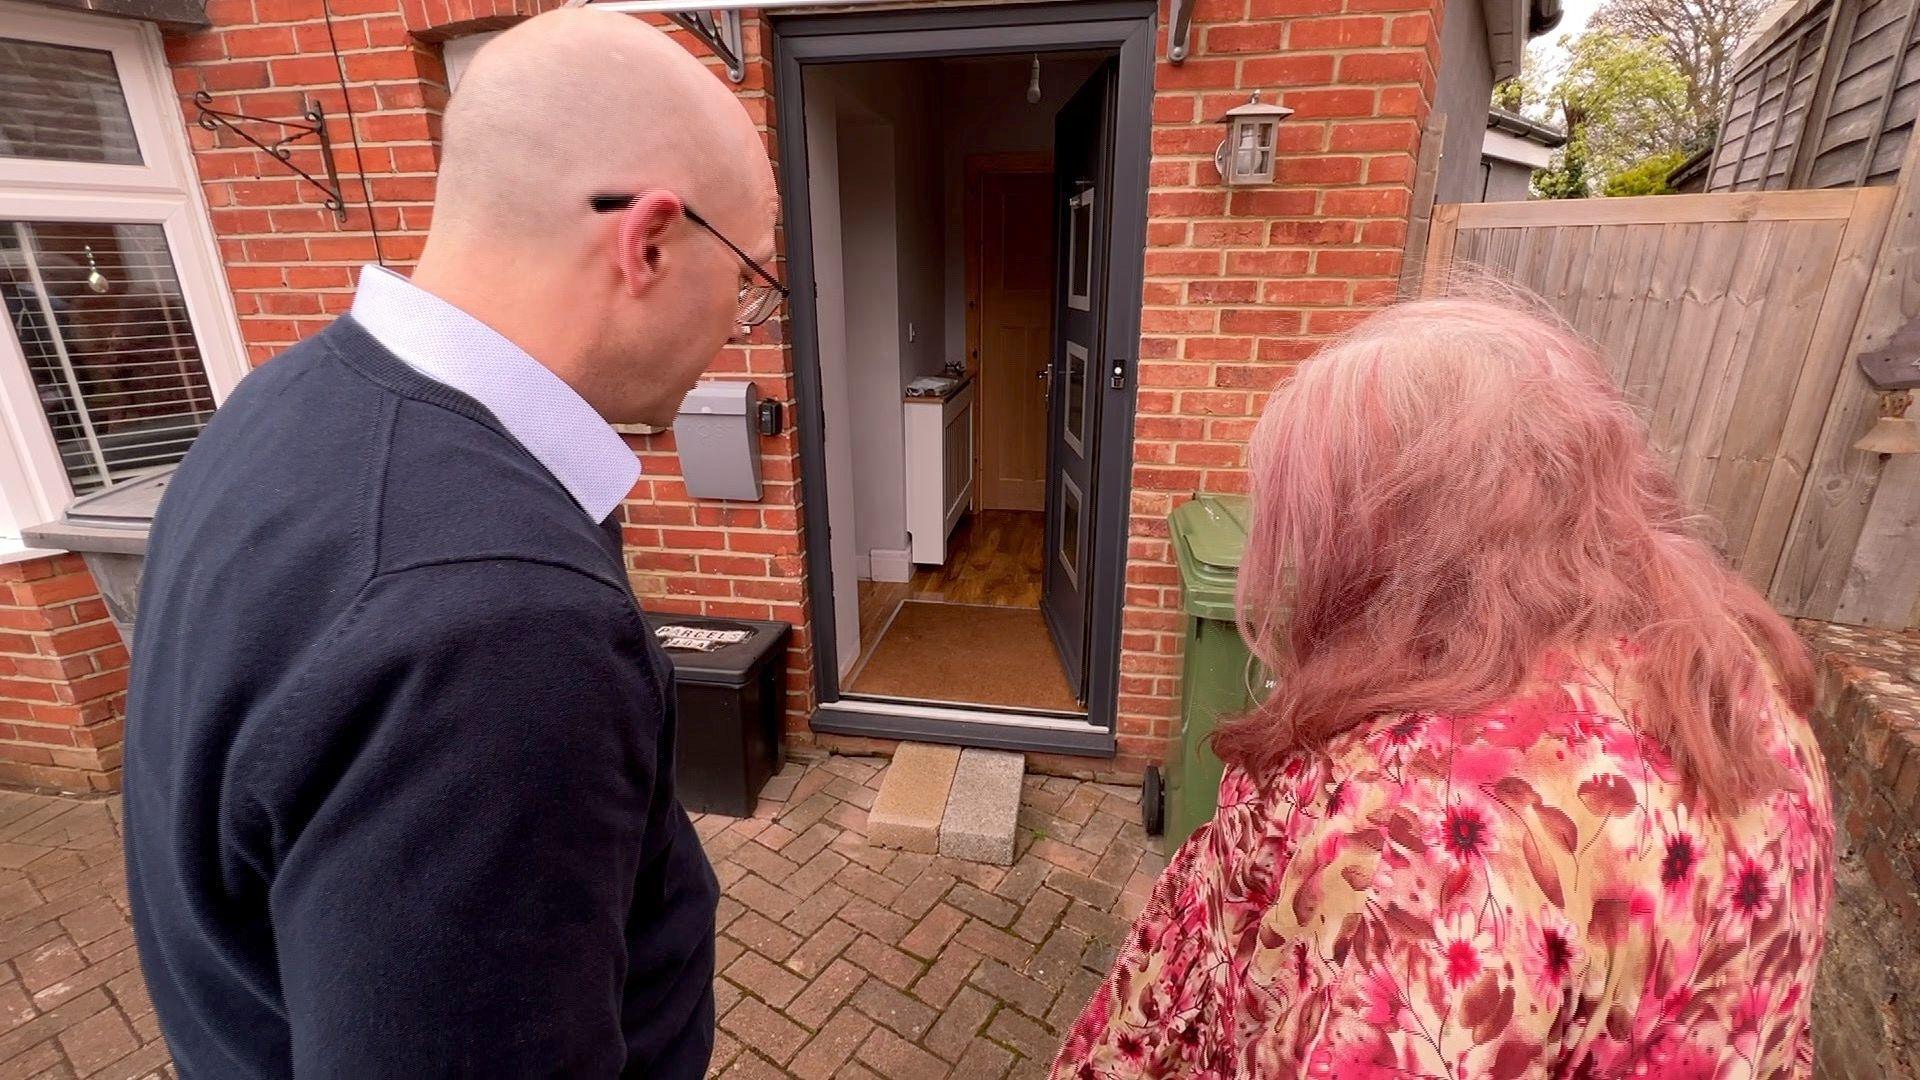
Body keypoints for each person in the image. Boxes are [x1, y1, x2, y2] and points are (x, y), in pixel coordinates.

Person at [122, 10, 779, 1076]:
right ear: (646, 241)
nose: (733, 324)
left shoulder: (282, 399)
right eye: (746, 279)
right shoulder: (496, 626)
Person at [1053, 296, 1833, 1078]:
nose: (1293, 562)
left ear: (1395, 530)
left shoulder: (1421, 842)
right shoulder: (1738, 691)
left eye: (1313, 525)